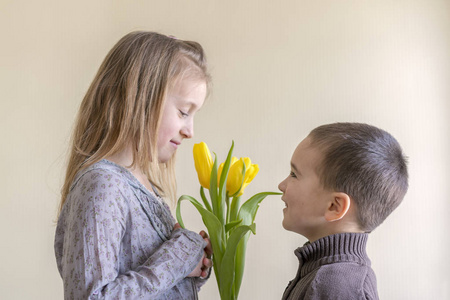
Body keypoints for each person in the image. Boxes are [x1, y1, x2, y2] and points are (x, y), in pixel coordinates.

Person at [54, 31, 213, 299]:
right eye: (184, 112)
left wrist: (190, 266)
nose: (190, 131)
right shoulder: (104, 186)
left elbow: (149, 283)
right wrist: (177, 258)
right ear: (141, 99)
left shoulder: (145, 187)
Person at [278, 122, 408, 300]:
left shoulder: (335, 285)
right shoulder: (329, 275)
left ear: (334, 206)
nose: (281, 185)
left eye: (294, 174)